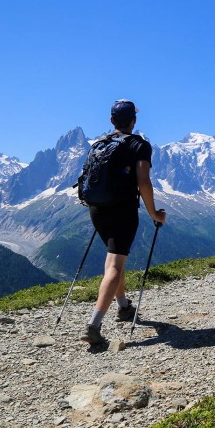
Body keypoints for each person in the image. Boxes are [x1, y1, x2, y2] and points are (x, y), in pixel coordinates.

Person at [81, 99, 167, 345]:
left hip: (97, 210)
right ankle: (93, 326)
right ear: (134, 120)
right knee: (115, 266)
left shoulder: (100, 144)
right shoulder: (139, 145)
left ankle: (123, 306)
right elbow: (143, 182)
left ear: (112, 121)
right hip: (122, 211)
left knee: (114, 259)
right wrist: (154, 213)